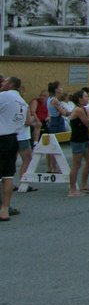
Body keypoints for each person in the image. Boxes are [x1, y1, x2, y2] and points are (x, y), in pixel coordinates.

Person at [0, 77, 29, 221]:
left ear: (11, 84)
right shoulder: (23, 102)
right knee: (8, 175)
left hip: (1, 137)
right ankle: (4, 209)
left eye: (4, 81)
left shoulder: (4, 96)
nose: (2, 84)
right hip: (13, 138)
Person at [67, 89, 89, 197]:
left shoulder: (84, 109)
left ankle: (84, 184)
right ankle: (72, 189)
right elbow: (88, 123)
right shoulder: (78, 110)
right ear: (79, 99)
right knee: (76, 164)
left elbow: (86, 128)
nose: (87, 98)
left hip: (84, 138)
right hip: (77, 140)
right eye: (85, 96)